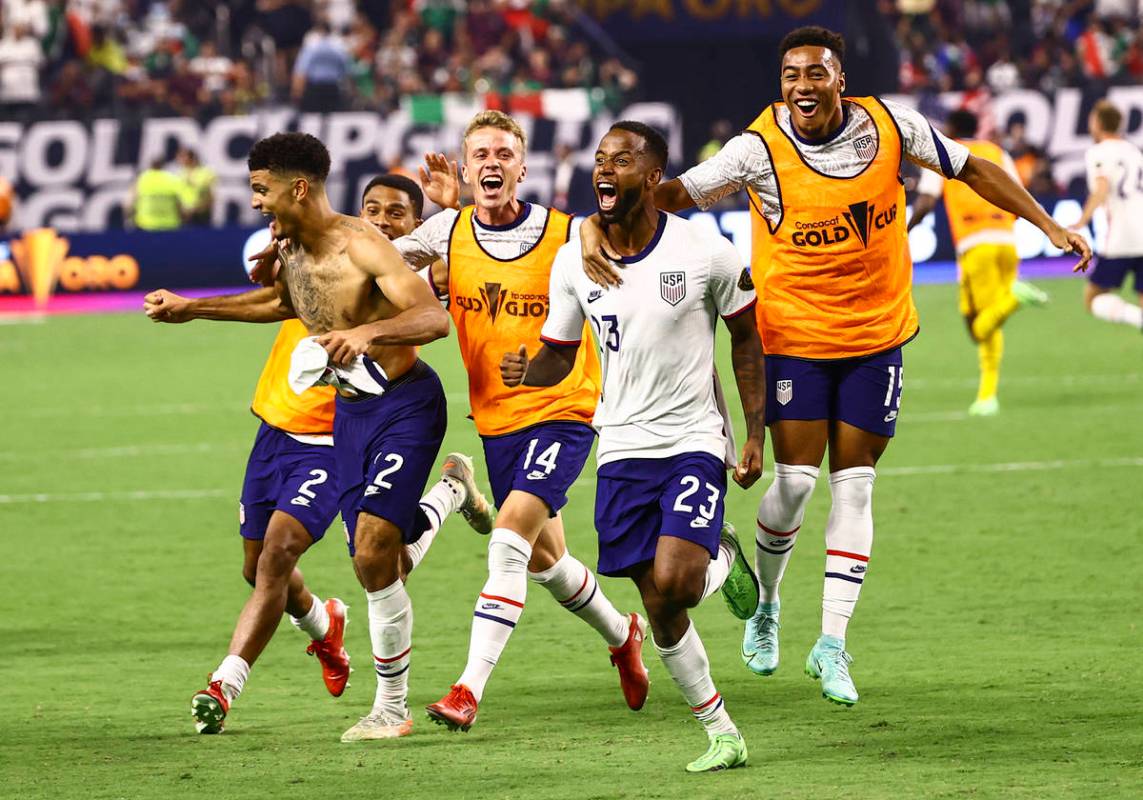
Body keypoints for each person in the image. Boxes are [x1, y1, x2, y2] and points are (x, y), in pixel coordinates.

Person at [580, 26, 1090, 707]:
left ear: (838, 81)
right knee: (792, 484)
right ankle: (764, 607)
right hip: (792, 337)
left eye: (815, 73)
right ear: (781, 84)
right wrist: (593, 225)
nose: (801, 85)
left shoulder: (890, 127)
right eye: (790, 74)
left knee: (853, 487)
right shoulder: (754, 150)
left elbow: (972, 169)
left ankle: (831, 644)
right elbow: (667, 196)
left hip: (877, 336)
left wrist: (1046, 225)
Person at [143, 173, 493, 736]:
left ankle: (381, 706)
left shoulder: (393, 258)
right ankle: (450, 493)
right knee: (376, 562)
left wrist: (371, 332)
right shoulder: (299, 248)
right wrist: (193, 309)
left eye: (396, 213)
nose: (381, 220)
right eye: (372, 208)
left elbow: (435, 317)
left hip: (391, 411)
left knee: (355, 554)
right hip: (330, 418)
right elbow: (281, 302)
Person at [502, 121, 765, 772]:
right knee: (655, 601)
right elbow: (559, 355)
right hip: (619, 445)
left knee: (676, 579)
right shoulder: (576, 258)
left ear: (652, 178)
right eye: (598, 159)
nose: (603, 170)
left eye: (621, 160)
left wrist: (754, 433)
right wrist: (526, 370)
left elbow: (746, 337)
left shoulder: (703, 250)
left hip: (692, 438)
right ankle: (722, 732)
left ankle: (718, 558)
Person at [388, 110, 651, 732]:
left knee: (506, 544)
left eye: (504, 153)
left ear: (524, 167)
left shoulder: (566, 232)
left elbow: (636, 263)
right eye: (480, 153)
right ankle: (622, 633)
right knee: (546, 562)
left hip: (564, 410)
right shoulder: (446, 233)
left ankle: (466, 690)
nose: (492, 163)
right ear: (464, 164)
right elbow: (372, 262)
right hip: (498, 423)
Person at [907, 109, 1050, 416]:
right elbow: (1017, 192)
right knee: (982, 323)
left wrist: (905, 230)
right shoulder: (996, 152)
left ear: (954, 128)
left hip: (976, 245)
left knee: (981, 327)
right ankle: (988, 393)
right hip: (1007, 241)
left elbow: (927, 200)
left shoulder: (942, 150)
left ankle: (988, 395)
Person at [1070, 99, 1143, 333]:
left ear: (1099, 123)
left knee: (1092, 299)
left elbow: (1102, 187)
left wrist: (1081, 221)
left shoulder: (1098, 152)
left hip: (1121, 237)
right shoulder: (1134, 151)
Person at [127, 157, 185, 231]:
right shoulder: (172, 178)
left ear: (150, 166)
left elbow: (129, 203)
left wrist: (129, 220)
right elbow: (181, 204)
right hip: (169, 225)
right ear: (163, 166)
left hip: (146, 224)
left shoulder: (142, 178)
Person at [176, 147, 217, 226]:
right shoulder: (180, 174)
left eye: (183, 156)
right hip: (184, 216)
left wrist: (197, 209)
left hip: (201, 215)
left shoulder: (206, 173)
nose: (180, 159)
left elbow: (211, 196)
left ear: (192, 158)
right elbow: (179, 196)